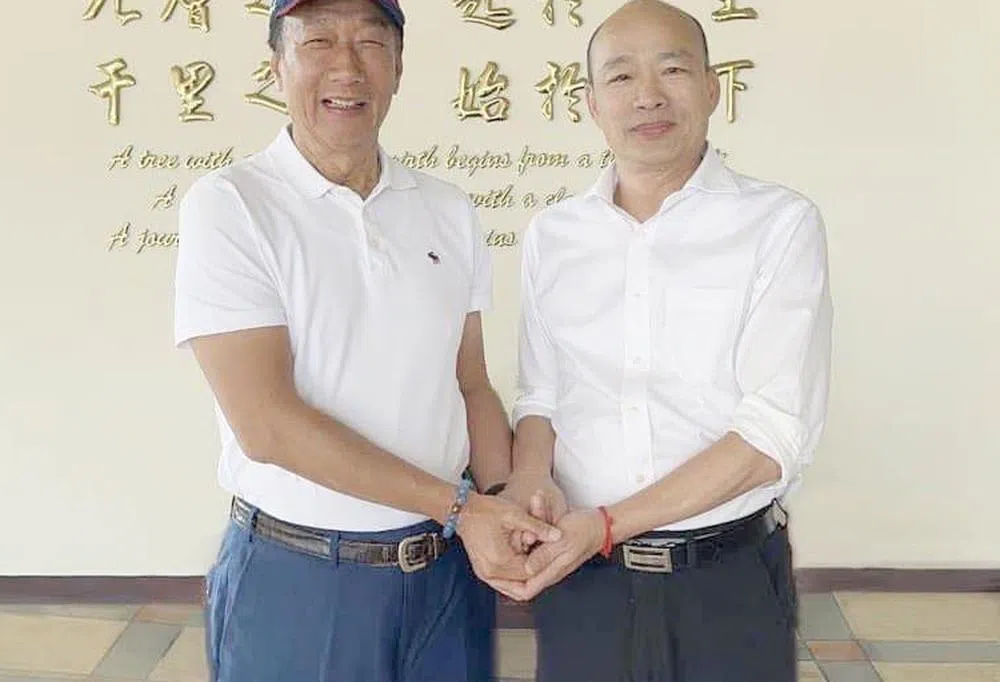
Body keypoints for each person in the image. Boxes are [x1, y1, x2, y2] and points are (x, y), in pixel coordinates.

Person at [171, 1, 560, 680]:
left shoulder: (446, 208)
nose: (346, 67)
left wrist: (502, 500)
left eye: (371, 43)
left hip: (446, 576)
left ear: (399, 67)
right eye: (318, 41)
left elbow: (469, 383)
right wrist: (461, 507)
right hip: (304, 578)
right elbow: (266, 425)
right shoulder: (232, 205)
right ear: (277, 66)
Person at [497, 1, 833, 680]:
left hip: (725, 578)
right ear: (591, 104)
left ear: (712, 89)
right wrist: (530, 479)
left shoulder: (778, 224)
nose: (647, 95)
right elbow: (541, 397)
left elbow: (771, 436)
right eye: (621, 76)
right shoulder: (554, 235)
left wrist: (608, 523)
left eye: (672, 69)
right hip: (584, 582)